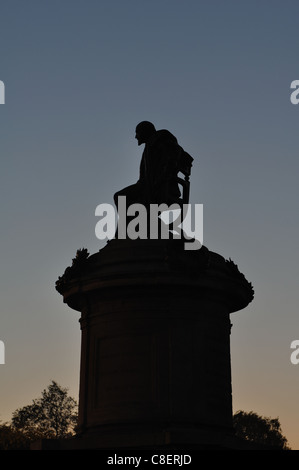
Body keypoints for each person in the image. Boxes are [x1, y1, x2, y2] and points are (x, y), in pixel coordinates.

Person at [114, 121, 182, 209]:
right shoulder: (150, 145)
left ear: (144, 131)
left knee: (120, 197)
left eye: (137, 133)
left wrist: (160, 181)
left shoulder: (161, 140)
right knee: (120, 197)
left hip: (161, 187)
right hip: (148, 186)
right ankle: (134, 220)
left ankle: (133, 221)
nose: (136, 136)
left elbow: (172, 159)